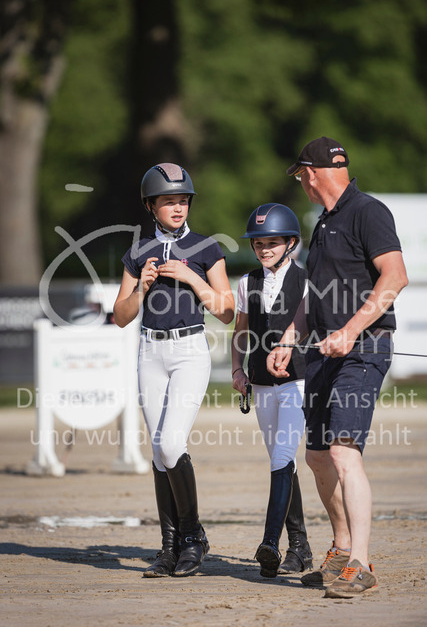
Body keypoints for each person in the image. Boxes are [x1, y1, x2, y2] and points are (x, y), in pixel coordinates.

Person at [267, 137, 408, 597]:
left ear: (309, 173)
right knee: (317, 456)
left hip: (363, 350)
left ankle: (361, 565)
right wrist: (290, 337)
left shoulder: (368, 211)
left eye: (300, 176)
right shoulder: (324, 222)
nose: (301, 183)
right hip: (322, 354)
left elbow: (395, 276)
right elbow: (314, 296)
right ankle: (342, 550)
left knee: (345, 453)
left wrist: (349, 330)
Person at [114, 163, 235, 578]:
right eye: (169, 201)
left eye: (183, 200)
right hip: (150, 351)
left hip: (188, 352)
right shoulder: (138, 252)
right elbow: (121, 316)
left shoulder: (206, 248)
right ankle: (169, 547)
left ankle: (193, 536)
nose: (179, 208)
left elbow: (227, 310)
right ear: (151, 206)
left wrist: (192, 279)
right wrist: (140, 288)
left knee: (170, 444)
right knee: (159, 452)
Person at [231, 203, 313, 578]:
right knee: (283, 463)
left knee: (282, 455)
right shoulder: (246, 282)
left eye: (272, 243)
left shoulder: (307, 279)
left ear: (290, 243)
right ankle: (300, 547)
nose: (264, 249)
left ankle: (270, 542)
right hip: (262, 384)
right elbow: (241, 332)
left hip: (298, 379)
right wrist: (237, 369)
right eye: (259, 243)